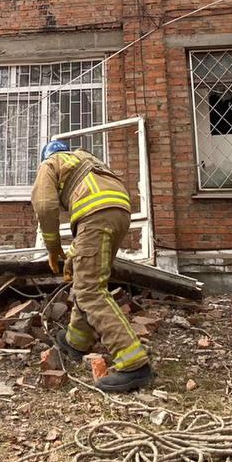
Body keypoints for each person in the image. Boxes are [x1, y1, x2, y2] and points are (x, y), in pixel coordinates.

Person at [31, 139, 152, 392]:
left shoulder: (50, 163)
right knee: (89, 279)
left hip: (95, 215)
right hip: (118, 212)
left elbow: (44, 205)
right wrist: (75, 253)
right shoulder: (86, 160)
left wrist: (54, 248)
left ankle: (134, 364)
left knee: (90, 291)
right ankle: (76, 340)